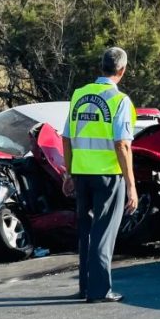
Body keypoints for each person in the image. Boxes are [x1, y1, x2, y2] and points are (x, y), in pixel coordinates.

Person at [61, 47, 138, 304]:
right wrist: (131, 186)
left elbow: (67, 137)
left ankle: (85, 286)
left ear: (101, 67)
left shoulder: (79, 95)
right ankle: (100, 290)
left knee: (86, 232)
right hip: (107, 174)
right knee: (104, 232)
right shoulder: (120, 101)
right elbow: (122, 145)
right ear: (122, 70)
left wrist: (68, 173)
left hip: (82, 173)